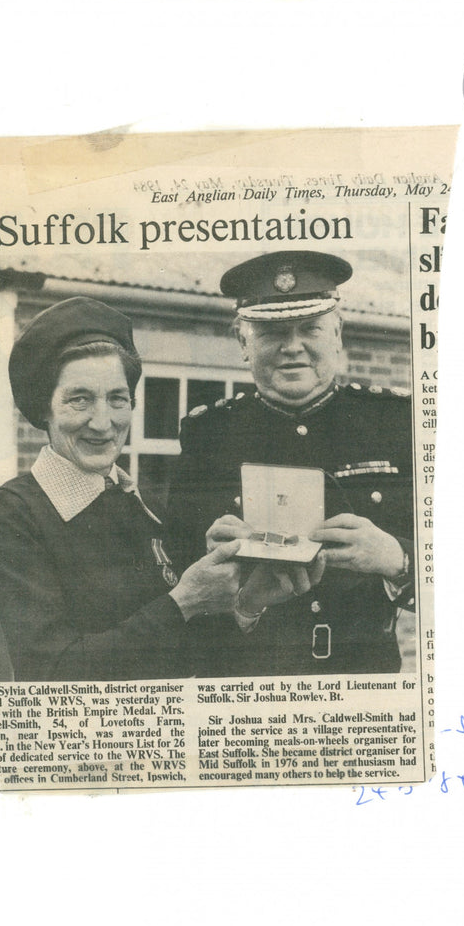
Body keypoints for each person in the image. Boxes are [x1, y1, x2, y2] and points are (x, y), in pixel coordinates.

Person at [0, 296, 316, 681]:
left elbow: (184, 656)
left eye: (117, 399)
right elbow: (52, 673)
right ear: (45, 408)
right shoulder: (17, 510)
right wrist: (184, 601)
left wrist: (247, 603)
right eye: (79, 400)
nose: (103, 422)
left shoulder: (143, 503)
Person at [165, 251, 415, 676]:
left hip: (364, 682)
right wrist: (228, 588)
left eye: (310, 328)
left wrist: (398, 559)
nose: (292, 347)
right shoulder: (207, 436)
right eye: (271, 332)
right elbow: (175, 583)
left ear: (337, 334)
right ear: (244, 342)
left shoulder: (396, 424)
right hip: (244, 682)